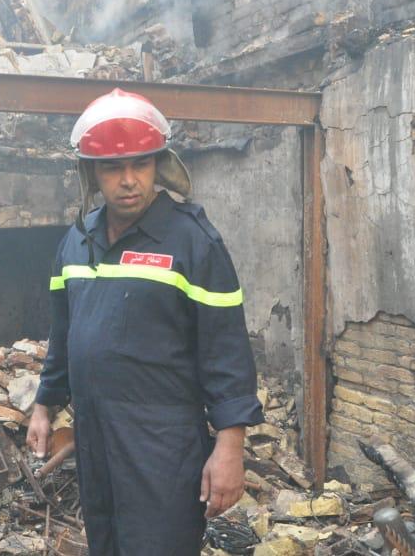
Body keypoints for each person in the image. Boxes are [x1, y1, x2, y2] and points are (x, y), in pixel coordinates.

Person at [26, 88, 264, 555]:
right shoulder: (76, 243)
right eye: (113, 167)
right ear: (91, 173)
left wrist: (230, 447)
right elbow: (64, 335)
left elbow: (227, 351)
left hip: (163, 445)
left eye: (141, 163)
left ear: (160, 164)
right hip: (95, 439)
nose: (129, 180)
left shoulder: (194, 242)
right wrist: (44, 405)